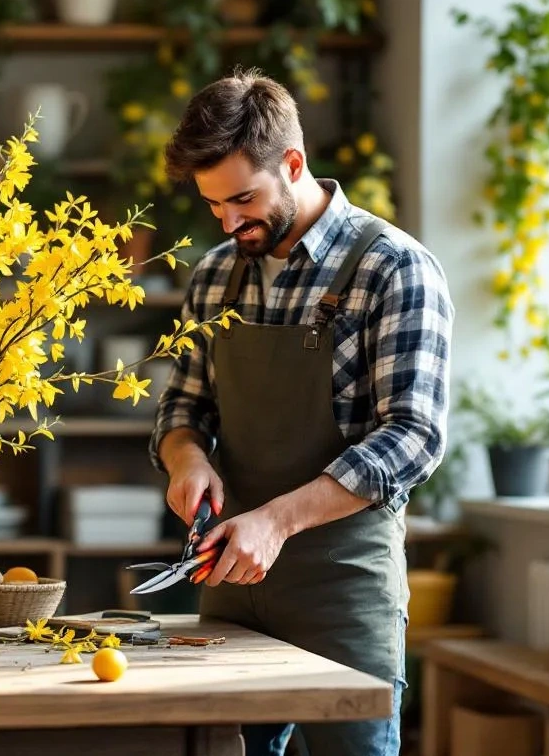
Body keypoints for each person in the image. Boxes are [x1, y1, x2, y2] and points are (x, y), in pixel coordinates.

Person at [149, 68, 454, 756]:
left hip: (342, 589)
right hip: (231, 582)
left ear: (292, 164)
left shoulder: (394, 269)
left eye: (243, 200)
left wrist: (277, 521)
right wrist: (186, 460)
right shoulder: (214, 275)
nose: (229, 223)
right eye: (213, 205)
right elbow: (183, 405)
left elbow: (413, 436)